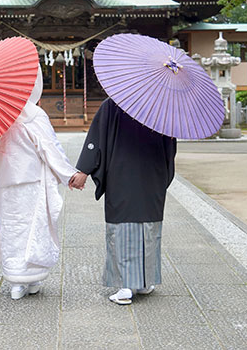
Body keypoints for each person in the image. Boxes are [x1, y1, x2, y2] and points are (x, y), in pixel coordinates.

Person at [0, 70, 79, 300]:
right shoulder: (34, 114)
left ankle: (16, 280)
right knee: (33, 226)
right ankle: (32, 277)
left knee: (11, 227)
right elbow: (50, 148)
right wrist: (68, 175)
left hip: (6, 180)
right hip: (31, 179)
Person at [69, 98, 176, 305]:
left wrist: (84, 170)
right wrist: (164, 175)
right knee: (149, 227)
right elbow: (170, 147)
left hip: (122, 173)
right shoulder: (161, 105)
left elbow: (96, 140)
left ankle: (127, 286)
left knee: (124, 227)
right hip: (152, 175)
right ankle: (145, 282)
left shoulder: (114, 104)